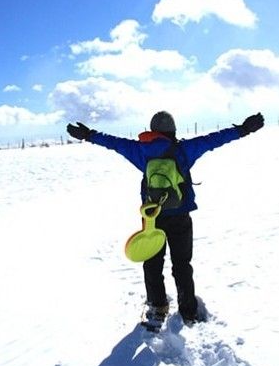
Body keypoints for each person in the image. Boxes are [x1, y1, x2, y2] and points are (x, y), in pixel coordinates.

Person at [66, 110, 264, 326]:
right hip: (180, 215)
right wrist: (243, 130)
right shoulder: (184, 150)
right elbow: (213, 140)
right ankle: (188, 311)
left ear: (152, 130)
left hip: (152, 216)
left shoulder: (140, 150)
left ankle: (158, 306)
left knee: (152, 262)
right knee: (182, 264)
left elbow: (113, 143)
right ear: (173, 130)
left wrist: (88, 135)